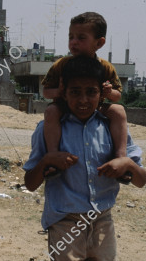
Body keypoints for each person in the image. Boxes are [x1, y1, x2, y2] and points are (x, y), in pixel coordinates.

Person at [23, 56, 146, 261]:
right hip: (65, 224)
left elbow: (141, 180)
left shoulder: (112, 127)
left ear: (101, 93)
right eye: (75, 92)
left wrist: (126, 165)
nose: (83, 100)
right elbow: (30, 183)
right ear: (63, 92)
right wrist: (47, 162)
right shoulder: (49, 129)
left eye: (91, 92)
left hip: (103, 223)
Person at [41, 12, 129, 180]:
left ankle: (121, 158)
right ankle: (53, 157)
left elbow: (117, 96)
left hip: (95, 107)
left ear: (99, 43)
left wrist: (109, 92)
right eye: (71, 37)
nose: (74, 42)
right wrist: (59, 93)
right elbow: (45, 92)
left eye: (81, 38)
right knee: (51, 111)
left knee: (118, 111)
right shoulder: (61, 65)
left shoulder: (105, 67)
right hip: (66, 106)